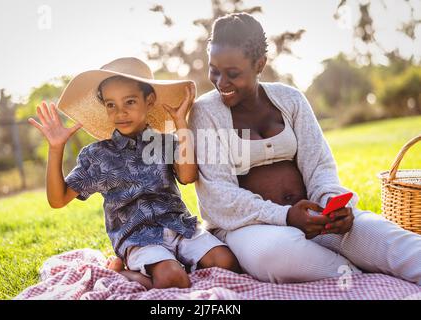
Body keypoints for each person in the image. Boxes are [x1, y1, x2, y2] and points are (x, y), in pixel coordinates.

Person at [188, 13, 421, 285]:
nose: (220, 82)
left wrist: (332, 206)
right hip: (247, 228)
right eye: (214, 69)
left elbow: (320, 166)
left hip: (313, 216)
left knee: (387, 238)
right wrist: (285, 216)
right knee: (281, 255)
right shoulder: (205, 111)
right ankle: (373, 285)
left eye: (233, 74)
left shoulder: (291, 99)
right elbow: (219, 196)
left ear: (259, 64)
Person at [28, 57, 241, 290]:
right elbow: (58, 200)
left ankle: (158, 269)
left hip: (179, 227)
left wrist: (181, 122)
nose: (120, 112)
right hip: (137, 238)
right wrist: (56, 148)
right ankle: (125, 273)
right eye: (111, 104)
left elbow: (188, 177)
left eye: (129, 102)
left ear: (148, 101)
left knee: (226, 262)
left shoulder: (164, 143)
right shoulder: (98, 155)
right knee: (173, 279)